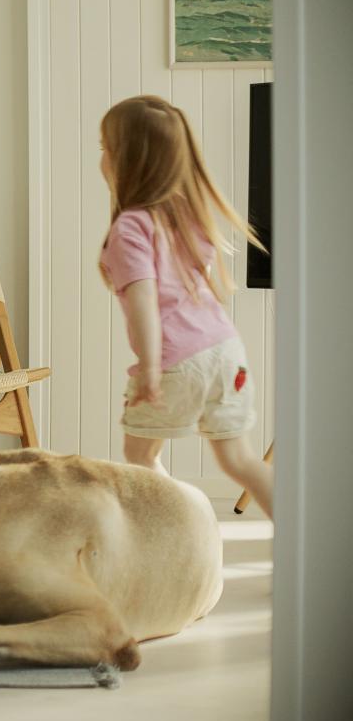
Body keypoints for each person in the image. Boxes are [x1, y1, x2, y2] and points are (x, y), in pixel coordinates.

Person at [96, 95, 273, 518]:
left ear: (128, 160)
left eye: (106, 148)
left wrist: (151, 370)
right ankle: (305, 542)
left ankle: (180, 531)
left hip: (177, 360)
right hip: (228, 354)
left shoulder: (131, 227)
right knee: (240, 461)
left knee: (139, 458)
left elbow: (145, 304)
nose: (101, 159)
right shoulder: (189, 215)